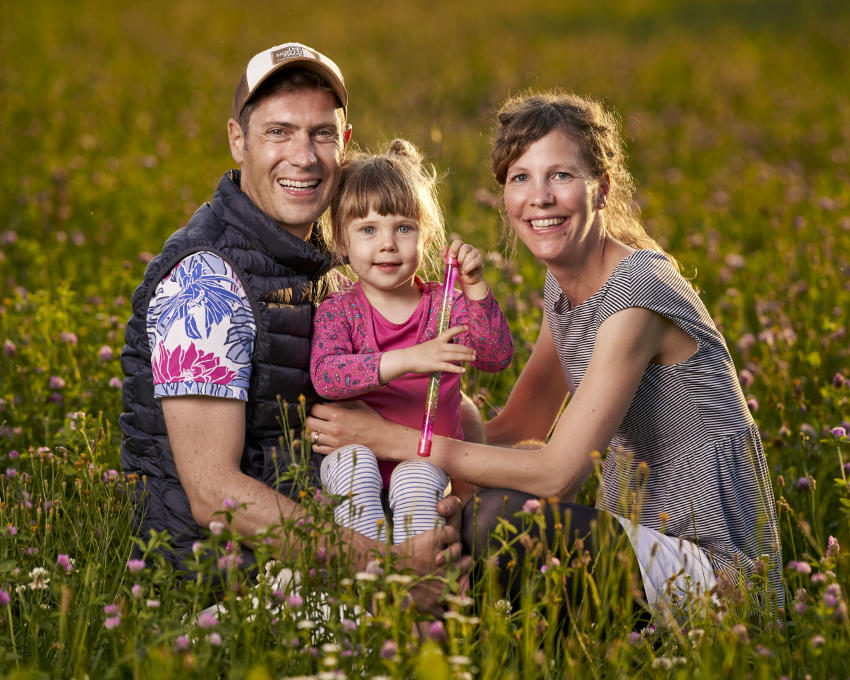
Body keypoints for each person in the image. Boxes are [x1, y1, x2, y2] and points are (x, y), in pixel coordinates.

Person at [306, 90, 784, 614]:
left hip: (718, 571)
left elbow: (558, 474)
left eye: (561, 175)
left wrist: (395, 440)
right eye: (521, 178)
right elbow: (520, 427)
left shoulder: (637, 297)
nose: (540, 196)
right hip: (641, 538)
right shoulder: (565, 291)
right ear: (505, 197)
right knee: (465, 511)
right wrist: (441, 439)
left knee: (496, 521)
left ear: (600, 189)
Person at [119, 42, 469, 609]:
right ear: (238, 140)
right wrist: (389, 568)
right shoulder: (204, 282)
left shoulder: (328, 258)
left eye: (321, 134)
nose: (303, 157)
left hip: (333, 533)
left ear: (345, 142)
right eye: (279, 132)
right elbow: (214, 495)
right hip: (230, 578)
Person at [310, 139, 513, 545]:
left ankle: (414, 586)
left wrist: (475, 290)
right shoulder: (339, 309)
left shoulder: (444, 306)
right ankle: (367, 583)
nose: (387, 243)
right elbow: (327, 376)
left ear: (426, 235)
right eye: (368, 229)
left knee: (417, 492)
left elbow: (495, 356)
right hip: (351, 451)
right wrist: (409, 359)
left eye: (403, 228)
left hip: (422, 458)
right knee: (354, 473)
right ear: (341, 241)